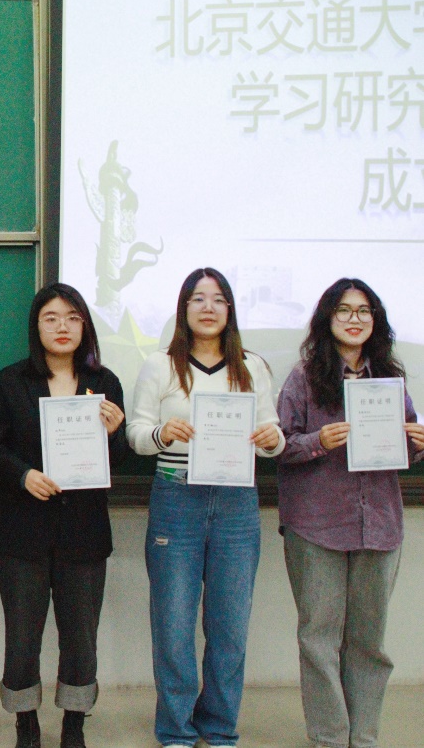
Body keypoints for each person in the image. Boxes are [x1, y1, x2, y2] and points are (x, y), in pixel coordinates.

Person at [126, 267, 285, 748]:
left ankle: (218, 727)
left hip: (237, 502)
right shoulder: (160, 365)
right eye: (198, 298)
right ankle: (176, 728)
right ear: (184, 309)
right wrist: (162, 434)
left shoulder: (252, 366)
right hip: (177, 497)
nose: (208, 307)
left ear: (229, 310)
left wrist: (270, 439)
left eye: (218, 299)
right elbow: (136, 434)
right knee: (173, 624)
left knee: (229, 626)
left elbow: (274, 437)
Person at [276, 278, 424, 748]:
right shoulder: (303, 378)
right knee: (318, 639)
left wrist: (417, 443)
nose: (355, 319)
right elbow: (279, 445)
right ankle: (330, 739)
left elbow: (402, 448)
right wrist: (317, 441)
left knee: (369, 643)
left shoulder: (390, 380)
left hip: (379, 523)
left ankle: (363, 739)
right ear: (328, 318)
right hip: (315, 525)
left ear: (375, 321)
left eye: (364, 311)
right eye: (344, 310)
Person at [0, 283, 128, 748]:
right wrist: (23, 475)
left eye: (72, 317)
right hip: (23, 529)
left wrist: (115, 433)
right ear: (36, 326)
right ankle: (25, 722)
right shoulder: (10, 381)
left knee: (81, 637)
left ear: (84, 326)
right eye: (51, 318)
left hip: (84, 529)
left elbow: (117, 463)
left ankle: (74, 723)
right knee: (22, 637)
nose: (62, 326)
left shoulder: (105, 383)